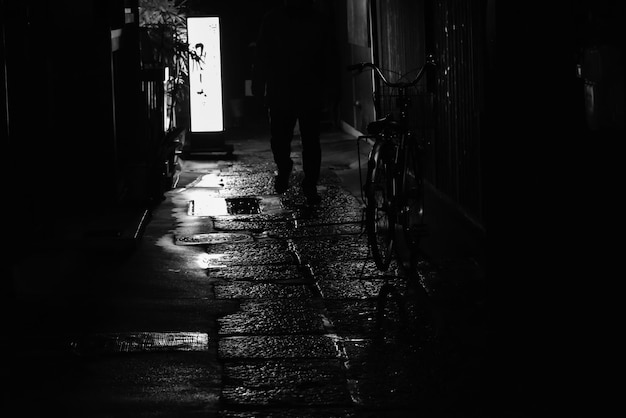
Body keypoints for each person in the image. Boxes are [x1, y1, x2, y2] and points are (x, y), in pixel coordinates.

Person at [251, 0, 336, 204]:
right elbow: (263, 54)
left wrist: (258, 84)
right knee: (292, 139)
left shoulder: (275, 19)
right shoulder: (313, 20)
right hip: (300, 88)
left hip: (292, 88)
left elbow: (329, 57)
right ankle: (292, 172)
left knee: (302, 140)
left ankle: (305, 180)